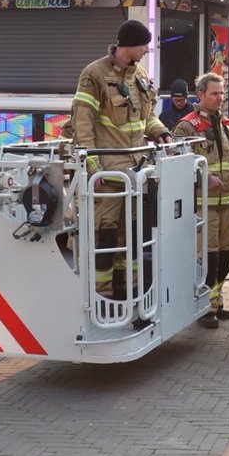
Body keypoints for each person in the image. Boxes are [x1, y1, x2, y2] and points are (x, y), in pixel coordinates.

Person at [71, 19, 172, 315]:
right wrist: (92, 165)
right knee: (105, 238)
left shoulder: (139, 74)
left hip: (135, 175)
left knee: (132, 239)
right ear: (131, 44)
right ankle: (102, 302)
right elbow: (82, 122)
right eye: (144, 45)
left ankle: (128, 294)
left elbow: (146, 117)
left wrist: (161, 132)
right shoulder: (94, 74)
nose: (146, 50)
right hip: (108, 176)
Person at [173, 73, 229, 329]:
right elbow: (178, 165)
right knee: (208, 258)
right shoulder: (187, 126)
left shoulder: (224, 124)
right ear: (200, 95)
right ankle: (204, 308)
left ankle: (216, 301)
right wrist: (203, 177)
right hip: (203, 205)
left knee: (226, 256)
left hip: (226, 203)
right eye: (215, 93)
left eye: (222, 93)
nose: (220, 98)